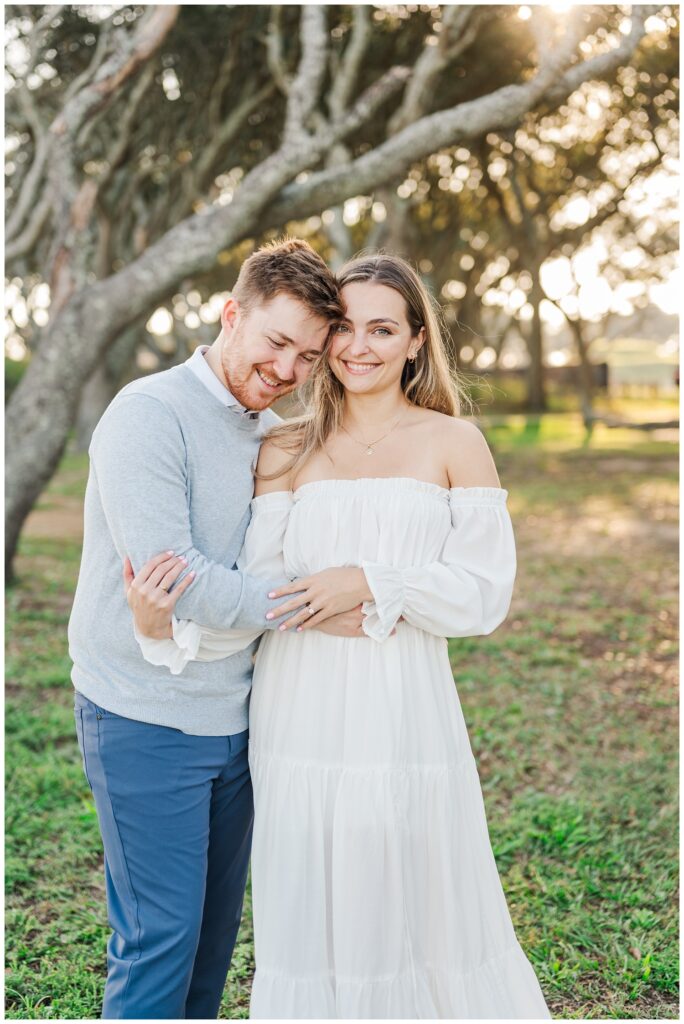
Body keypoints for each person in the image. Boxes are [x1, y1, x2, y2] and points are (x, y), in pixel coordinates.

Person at [128, 253, 552, 1019]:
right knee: (314, 900)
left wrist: (371, 583)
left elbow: (482, 597)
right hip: (300, 710)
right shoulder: (285, 448)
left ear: (417, 340)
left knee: (415, 891)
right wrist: (168, 636)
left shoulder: (455, 443)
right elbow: (266, 596)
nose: (359, 347)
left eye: (383, 328)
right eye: (344, 330)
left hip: (407, 706)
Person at [67, 238, 364, 1020]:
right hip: (145, 712)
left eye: (307, 356)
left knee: (212, 941)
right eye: (275, 342)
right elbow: (181, 579)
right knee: (160, 938)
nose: (287, 370)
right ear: (231, 314)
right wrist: (316, 602)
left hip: (242, 719)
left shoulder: (265, 428)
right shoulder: (148, 414)